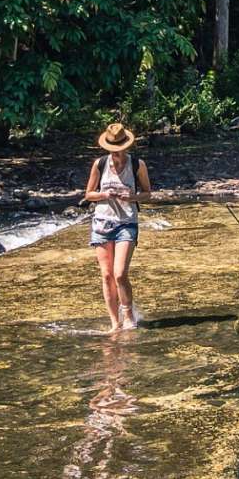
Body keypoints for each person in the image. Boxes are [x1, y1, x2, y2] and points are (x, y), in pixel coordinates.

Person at [85, 122, 152, 334]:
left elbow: (148, 193)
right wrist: (105, 195)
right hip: (102, 223)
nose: (117, 152)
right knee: (106, 275)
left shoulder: (137, 165)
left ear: (126, 145)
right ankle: (115, 323)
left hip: (127, 222)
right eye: (113, 149)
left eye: (120, 148)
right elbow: (88, 194)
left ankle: (129, 314)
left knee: (120, 273)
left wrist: (131, 196)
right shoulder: (100, 164)